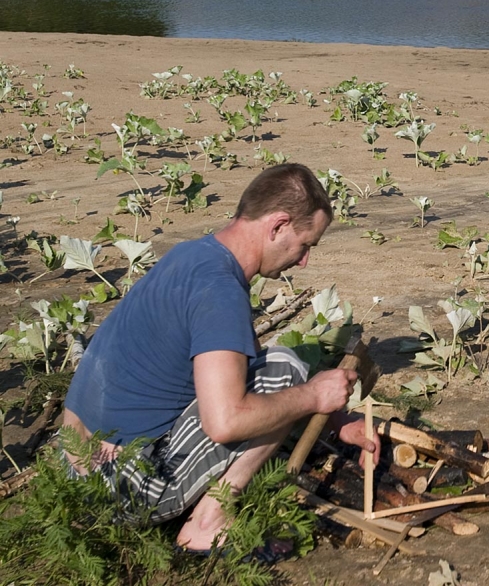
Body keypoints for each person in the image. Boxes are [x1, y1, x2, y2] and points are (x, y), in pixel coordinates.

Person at [62, 163, 379, 556]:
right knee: (286, 369)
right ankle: (207, 524)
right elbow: (226, 421)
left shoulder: (191, 255)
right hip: (121, 487)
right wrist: (313, 397)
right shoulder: (221, 291)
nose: (303, 262)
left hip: (69, 471)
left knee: (274, 367)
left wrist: (332, 418)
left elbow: (233, 367)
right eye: (306, 245)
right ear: (278, 225)